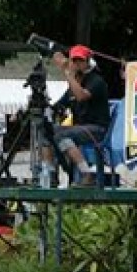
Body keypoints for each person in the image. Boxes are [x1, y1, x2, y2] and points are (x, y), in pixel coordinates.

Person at [51, 45, 113, 187]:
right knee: (49, 131)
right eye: (74, 60)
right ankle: (50, 174)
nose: (77, 64)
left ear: (88, 62)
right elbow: (59, 105)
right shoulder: (73, 86)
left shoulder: (96, 81)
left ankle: (86, 174)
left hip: (97, 129)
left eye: (81, 60)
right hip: (80, 129)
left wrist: (68, 74)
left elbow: (81, 96)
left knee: (63, 135)